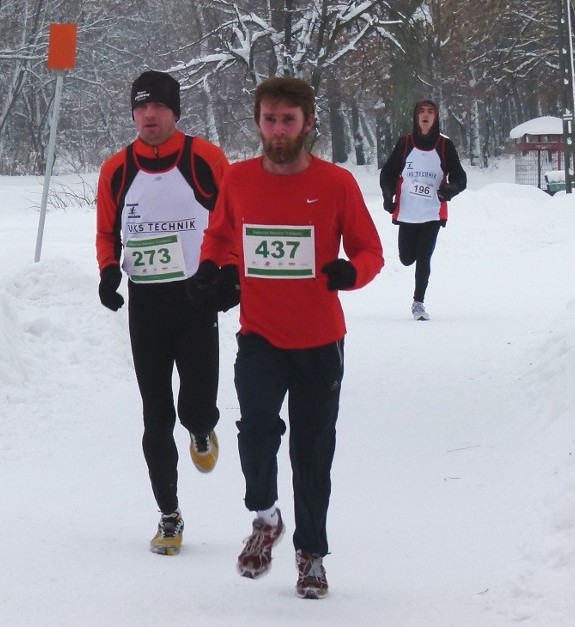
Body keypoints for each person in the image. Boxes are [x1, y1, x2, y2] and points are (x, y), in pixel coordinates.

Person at [188, 77, 384, 599]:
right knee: (255, 431)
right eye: (270, 120)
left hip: (320, 341)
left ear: (308, 123)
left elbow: (371, 251)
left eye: (288, 120)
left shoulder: (337, 183)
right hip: (260, 336)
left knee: (313, 451)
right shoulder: (240, 179)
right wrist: (212, 266)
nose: (278, 130)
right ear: (258, 123)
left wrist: (352, 273)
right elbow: (222, 232)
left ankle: (311, 555)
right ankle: (266, 516)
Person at [96, 70, 238, 556]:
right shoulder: (116, 168)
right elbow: (106, 233)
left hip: (197, 299)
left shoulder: (205, 159)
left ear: (175, 112)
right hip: (147, 305)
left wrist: (230, 274)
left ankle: (201, 428)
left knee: (193, 408)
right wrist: (108, 271)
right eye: (140, 107)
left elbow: (234, 218)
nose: (149, 115)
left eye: (157, 106)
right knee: (155, 415)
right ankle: (169, 515)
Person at [380, 99, 467, 320]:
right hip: (408, 211)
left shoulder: (444, 145)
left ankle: (418, 303)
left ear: (436, 117)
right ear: (416, 117)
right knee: (407, 258)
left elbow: (460, 177)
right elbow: (388, 173)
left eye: (430, 112)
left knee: (423, 256)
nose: (426, 115)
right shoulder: (406, 143)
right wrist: (387, 195)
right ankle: (417, 292)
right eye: (422, 112)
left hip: (432, 212)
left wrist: (449, 190)